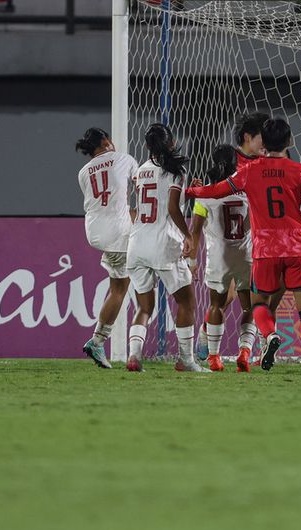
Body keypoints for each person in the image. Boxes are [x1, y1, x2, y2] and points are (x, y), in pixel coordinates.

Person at [186, 118, 301, 375]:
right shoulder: (298, 170)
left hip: (265, 250)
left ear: (264, 142)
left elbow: (219, 190)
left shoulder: (249, 171)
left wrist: (193, 192)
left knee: (258, 304)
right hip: (296, 248)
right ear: (290, 142)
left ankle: (270, 335)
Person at [125, 124, 205, 372]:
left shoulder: (140, 171)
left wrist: (187, 195)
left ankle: (134, 357)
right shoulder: (175, 170)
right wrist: (188, 235)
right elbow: (171, 207)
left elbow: (147, 205)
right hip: (164, 244)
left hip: (137, 245)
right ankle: (186, 360)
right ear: (171, 143)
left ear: (148, 146)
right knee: (187, 303)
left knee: (144, 307)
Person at [196, 112, 267, 361]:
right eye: (262, 138)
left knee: (254, 297)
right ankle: (210, 334)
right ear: (248, 137)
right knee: (231, 297)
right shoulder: (230, 161)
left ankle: (254, 348)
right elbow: (210, 194)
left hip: (253, 241)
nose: (266, 144)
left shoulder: (267, 161)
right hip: (239, 241)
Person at [76, 127, 139, 369]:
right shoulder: (124, 158)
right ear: (106, 141)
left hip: (95, 231)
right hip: (118, 233)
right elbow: (142, 186)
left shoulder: (83, 172)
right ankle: (98, 341)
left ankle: (99, 341)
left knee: (119, 284)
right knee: (120, 289)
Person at [188, 144, 255, 372]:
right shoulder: (248, 190)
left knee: (215, 305)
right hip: (246, 256)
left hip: (218, 257)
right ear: (236, 163)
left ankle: (214, 358)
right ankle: (245, 352)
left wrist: (192, 261)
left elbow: (195, 229)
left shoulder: (205, 193)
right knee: (250, 308)